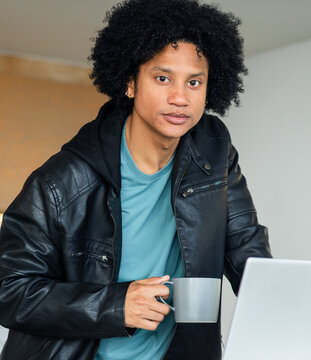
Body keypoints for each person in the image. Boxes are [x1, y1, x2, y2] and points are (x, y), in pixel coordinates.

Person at [0, 0, 271, 359]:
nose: (179, 98)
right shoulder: (62, 180)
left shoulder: (214, 152)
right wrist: (115, 305)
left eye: (194, 82)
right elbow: (9, 290)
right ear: (130, 82)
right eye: (162, 78)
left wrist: (293, 310)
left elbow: (248, 252)